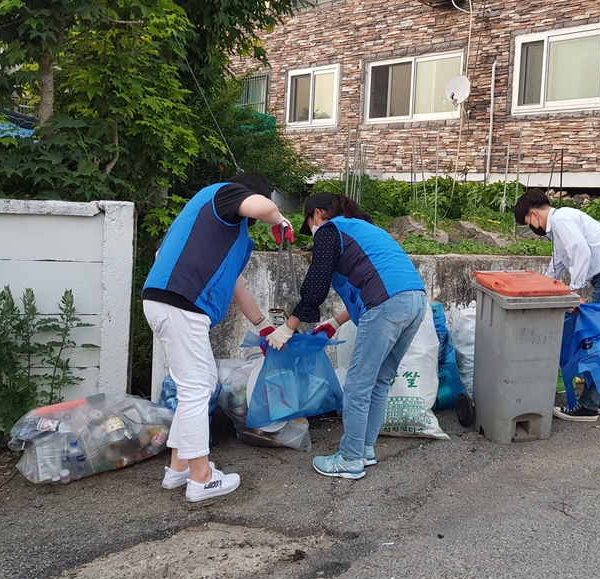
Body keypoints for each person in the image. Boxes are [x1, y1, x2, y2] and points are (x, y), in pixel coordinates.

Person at [142, 171, 292, 502]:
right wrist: (278, 219)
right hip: (180, 302)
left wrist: (263, 326)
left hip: (169, 303)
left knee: (198, 385)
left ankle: (179, 467)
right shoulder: (222, 193)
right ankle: (202, 478)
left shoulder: (228, 235)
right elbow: (263, 207)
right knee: (197, 389)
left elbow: (235, 285)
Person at [265, 192, 427, 479]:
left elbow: (316, 284)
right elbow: (375, 281)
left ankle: (349, 459)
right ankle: (364, 450)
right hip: (414, 301)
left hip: (387, 304)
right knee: (377, 381)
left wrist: (288, 326)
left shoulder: (330, 229)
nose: (313, 232)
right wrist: (335, 321)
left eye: (309, 224)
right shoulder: (366, 230)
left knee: (357, 385)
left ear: (317, 214)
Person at [513, 188, 600, 423]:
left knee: (597, 340)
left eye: (528, 221)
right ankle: (595, 402)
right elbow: (558, 262)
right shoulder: (559, 225)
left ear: (533, 214)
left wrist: (574, 288)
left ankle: (588, 405)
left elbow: (581, 251)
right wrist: (547, 285)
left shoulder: (562, 219)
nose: (532, 227)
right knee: (595, 338)